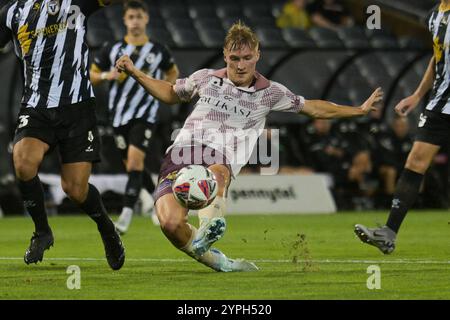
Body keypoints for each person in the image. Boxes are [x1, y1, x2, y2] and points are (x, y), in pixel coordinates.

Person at [115, 21, 383, 272]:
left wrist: (358, 110)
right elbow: (172, 93)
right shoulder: (205, 77)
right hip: (182, 150)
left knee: (218, 170)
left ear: (257, 55)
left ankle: (210, 226)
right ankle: (219, 261)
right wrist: (136, 73)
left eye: (246, 58)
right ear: (224, 56)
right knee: (171, 224)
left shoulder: (271, 93)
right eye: (234, 59)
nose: (241, 66)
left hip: (220, 154)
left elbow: (312, 107)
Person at [0, 0, 127, 269]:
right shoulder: (10, 12)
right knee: (23, 162)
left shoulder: (77, 2)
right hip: (36, 106)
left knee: (75, 189)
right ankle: (42, 232)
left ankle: (107, 229)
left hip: (77, 107)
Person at [354, 0, 450, 254]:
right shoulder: (434, 16)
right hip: (440, 105)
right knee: (415, 162)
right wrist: (417, 96)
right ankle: (388, 233)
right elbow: (437, 57)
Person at [90, 0, 179, 233]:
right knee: (132, 167)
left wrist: (164, 88)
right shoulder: (112, 49)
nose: (136, 21)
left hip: (145, 114)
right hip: (118, 116)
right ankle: (155, 201)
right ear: (125, 20)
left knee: (134, 162)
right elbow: (92, 74)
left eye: (139, 17)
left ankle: (126, 215)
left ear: (146, 19)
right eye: (131, 17)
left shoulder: (159, 50)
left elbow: (173, 73)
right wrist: (108, 76)